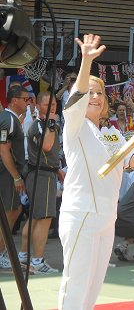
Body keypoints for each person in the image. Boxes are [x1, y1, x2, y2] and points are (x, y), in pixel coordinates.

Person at [57, 34, 134, 310]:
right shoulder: (74, 127)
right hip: (81, 213)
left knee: (93, 284)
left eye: (99, 92)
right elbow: (75, 99)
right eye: (90, 92)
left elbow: (133, 163)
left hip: (106, 216)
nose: (95, 97)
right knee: (75, 282)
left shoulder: (111, 133)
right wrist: (87, 60)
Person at [18, 92, 64, 274]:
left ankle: (23, 256)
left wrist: (57, 169)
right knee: (44, 218)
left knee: (36, 217)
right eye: (47, 105)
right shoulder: (40, 125)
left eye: (54, 105)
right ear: (37, 105)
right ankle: (37, 260)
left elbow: (48, 152)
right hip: (41, 176)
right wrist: (51, 123)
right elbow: (46, 145)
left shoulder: (45, 125)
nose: (51, 108)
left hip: (45, 173)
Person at [0, 84, 30, 269]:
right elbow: (3, 150)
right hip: (7, 173)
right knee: (10, 212)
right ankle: (1, 253)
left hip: (8, 172)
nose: (28, 102)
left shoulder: (11, 119)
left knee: (15, 210)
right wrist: (16, 177)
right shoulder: (9, 119)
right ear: (14, 100)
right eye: (25, 99)